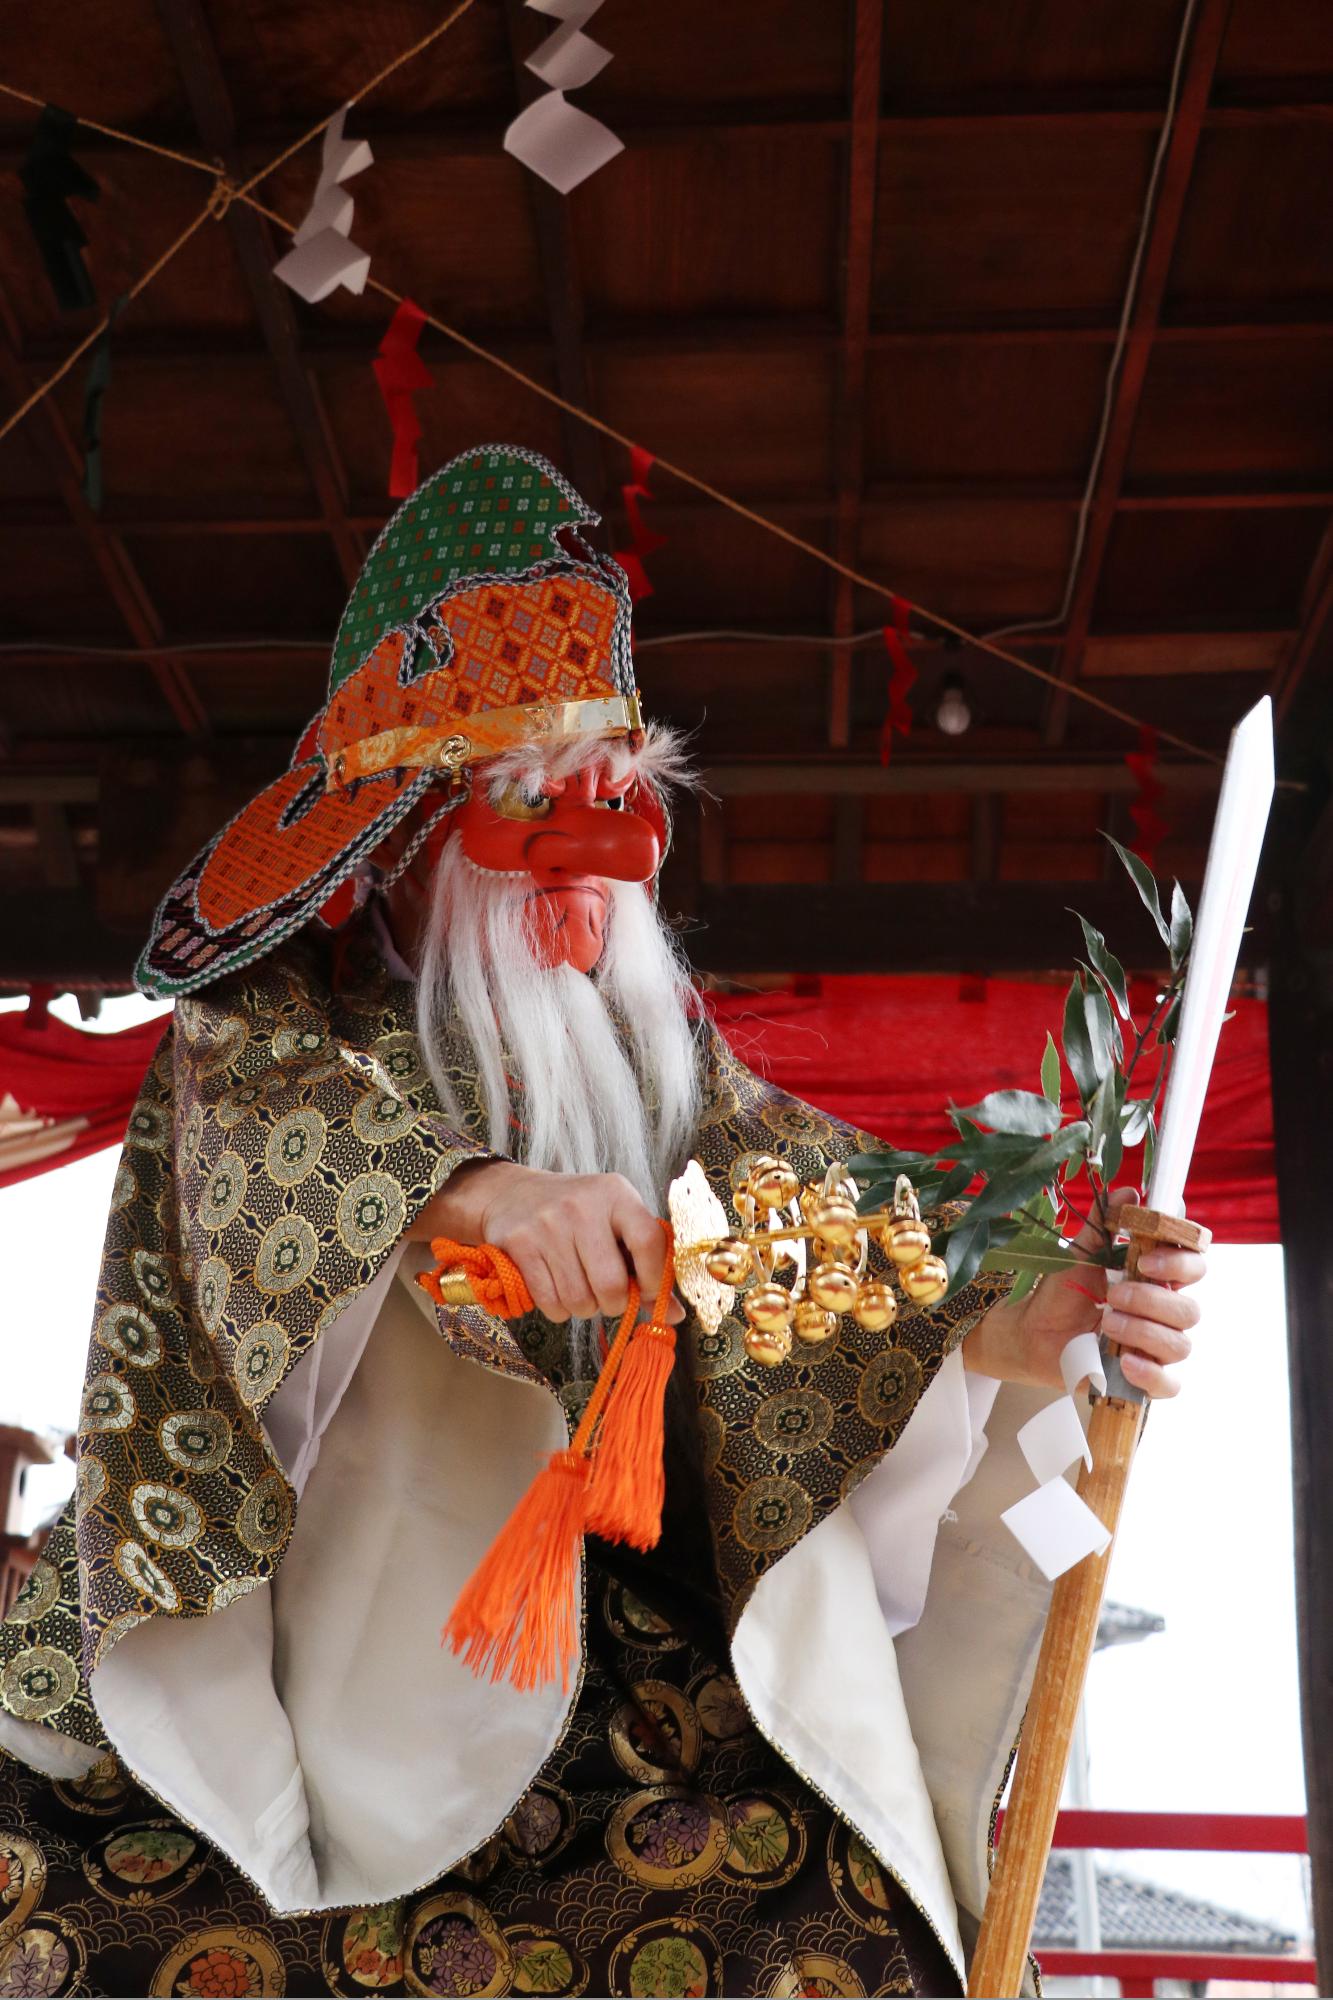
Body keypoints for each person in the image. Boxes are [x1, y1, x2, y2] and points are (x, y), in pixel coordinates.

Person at [0, 445, 1204, 2000]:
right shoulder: (273, 1022)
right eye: (527, 802)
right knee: (70, 1918)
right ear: (406, 830)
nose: (592, 858)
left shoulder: (665, 1065)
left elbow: (809, 1214)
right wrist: (469, 1193)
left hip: (638, 1676)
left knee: (840, 1931)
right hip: (333, 1649)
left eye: (618, 795)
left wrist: (1003, 1312)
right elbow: (275, 1148)